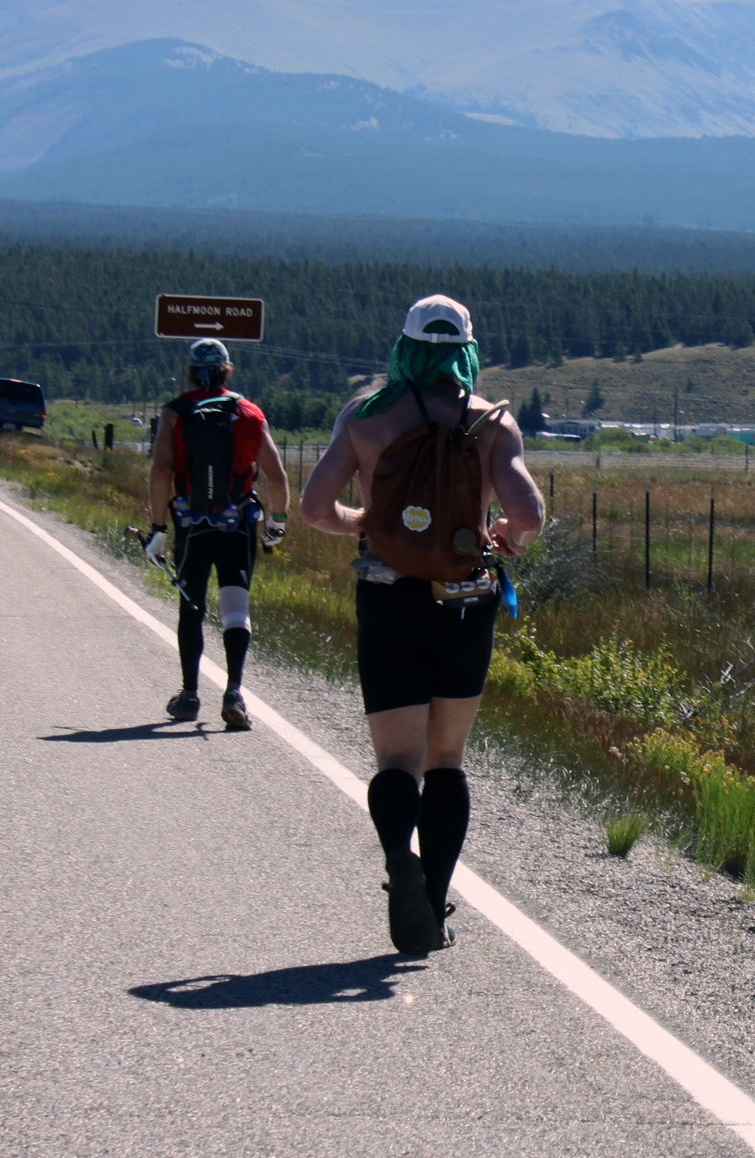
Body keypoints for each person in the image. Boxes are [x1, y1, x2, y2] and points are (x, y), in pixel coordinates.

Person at [302, 295, 542, 955]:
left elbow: (315, 507)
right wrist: (505, 535)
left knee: (398, 759)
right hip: (465, 601)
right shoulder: (492, 423)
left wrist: (365, 522)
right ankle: (432, 906)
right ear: (466, 349)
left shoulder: (366, 416)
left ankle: (396, 859)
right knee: (446, 760)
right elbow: (529, 512)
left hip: (388, 595)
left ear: (404, 348)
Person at [143, 339, 291, 731]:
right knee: (235, 605)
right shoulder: (248, 412)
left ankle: (190, 695)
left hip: (192, 524)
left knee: (191, 605)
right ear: (228, 369)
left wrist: (158, 528)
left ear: (191, 371)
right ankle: (234, 692)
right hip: (238, 522)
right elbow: (277, 477)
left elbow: (160, 472)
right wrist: (277, 522)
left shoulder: (175, 413)